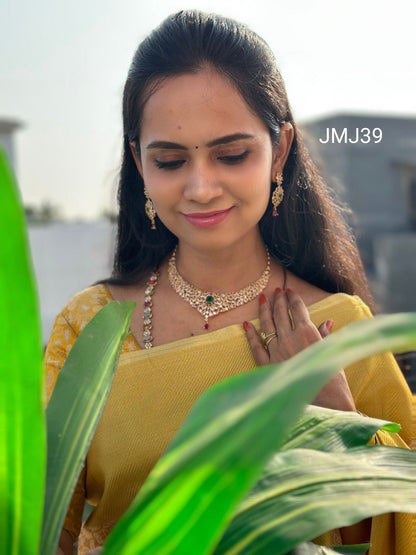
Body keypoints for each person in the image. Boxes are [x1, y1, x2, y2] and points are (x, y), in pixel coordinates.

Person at [45, 10, 415, 555]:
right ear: (139, 164)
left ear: (279, 151)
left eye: (232, 154)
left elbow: (401, 519)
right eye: (170, 160)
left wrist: (338, 418)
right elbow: (40, 525)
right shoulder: (92, 326)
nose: (201, 188)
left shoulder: (339, 329)